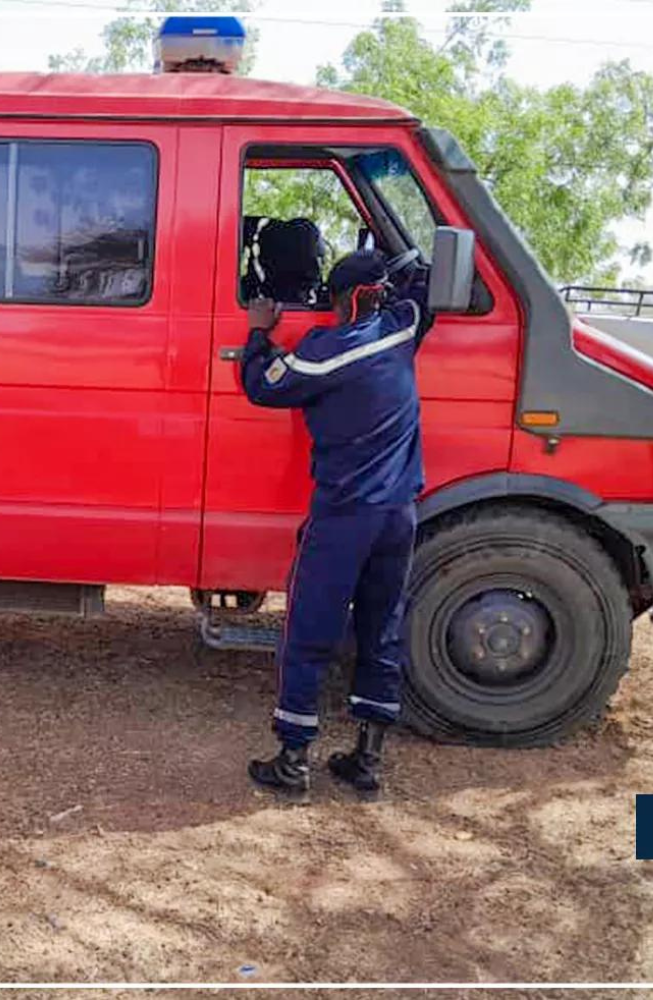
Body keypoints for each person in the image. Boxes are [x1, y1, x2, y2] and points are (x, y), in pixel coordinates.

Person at [239, 248, 434, 799]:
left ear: (341, 299)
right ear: (377, 296)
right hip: (398, 517)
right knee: (381, 629)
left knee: (310, 631)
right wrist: (401, 278)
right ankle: (366, 760)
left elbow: (263, 384)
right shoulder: (402, 330)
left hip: (344, 518)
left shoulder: (324, 353)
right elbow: (420, 293)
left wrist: (259, 333)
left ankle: (294, 762)